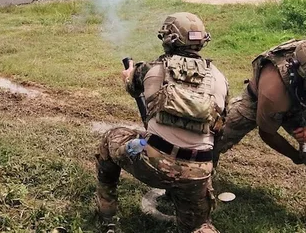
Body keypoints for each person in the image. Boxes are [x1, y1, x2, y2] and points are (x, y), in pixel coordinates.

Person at [95, 12, 229, 233]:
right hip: (198, 172)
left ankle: (107, 214)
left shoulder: (151, 69)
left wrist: (129, 73)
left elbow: (131, 86)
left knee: (111, 138)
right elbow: (219, 129)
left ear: (168, 38)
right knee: (198, 227)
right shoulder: (220, 78)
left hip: (154, 164)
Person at [214, 38, 306, 233]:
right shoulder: (273, 91)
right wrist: (294, 155)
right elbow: (267, 132)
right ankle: (195, 183)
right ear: (300, 74)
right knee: (215, 137)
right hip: (257, 103)